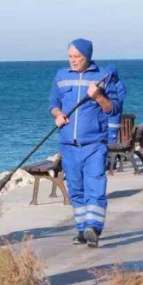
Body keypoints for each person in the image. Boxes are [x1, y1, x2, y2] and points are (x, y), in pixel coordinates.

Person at [49, 39, 116, 248]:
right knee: (76, 189)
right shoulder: (61, 76)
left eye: (77, 57)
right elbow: (53, 103)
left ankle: (94, 228)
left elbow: (111, 108)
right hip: (68, 144)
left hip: (94, 143)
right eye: (70, 56)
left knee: (95, 186)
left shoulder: (101, 77)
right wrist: (58, 115)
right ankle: (82, 230)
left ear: (87, 57)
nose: (73, 61)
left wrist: (97, 96)